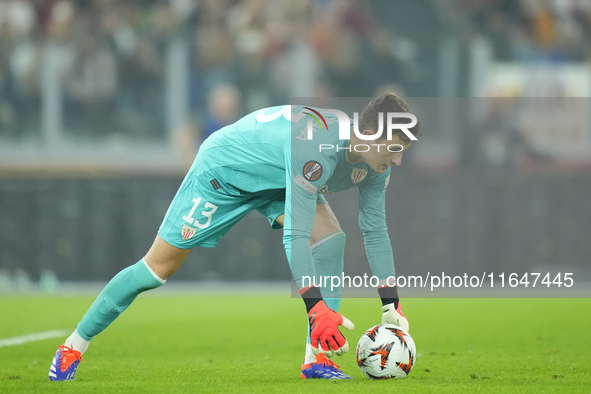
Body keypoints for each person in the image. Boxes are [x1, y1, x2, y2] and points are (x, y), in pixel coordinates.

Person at [48, 92, 421, 381]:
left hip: (277, 179)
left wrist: (391, 303)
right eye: (395, 149)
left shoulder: (377, 165)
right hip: (225, 172)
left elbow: (374, 230)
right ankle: (72, 347)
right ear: (371, 134)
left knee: (330, 239)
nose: (399, 161)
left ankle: (317, 358)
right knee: (155, 270)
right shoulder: (318, 148)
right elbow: (294, 233)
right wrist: (315, 307)